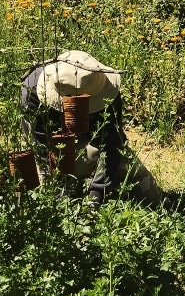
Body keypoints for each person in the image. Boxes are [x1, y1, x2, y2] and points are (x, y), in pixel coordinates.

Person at [20, 49, 158, 204]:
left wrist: (97, 193)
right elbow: (41, 148)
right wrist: (58, 197)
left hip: (90, 140)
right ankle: (70, 186)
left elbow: (112, 142)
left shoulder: (104, 85)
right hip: (57, 145)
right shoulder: (32, 90)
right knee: (50, 184)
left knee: (146, 189)